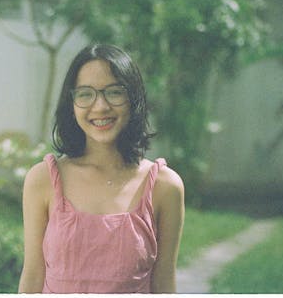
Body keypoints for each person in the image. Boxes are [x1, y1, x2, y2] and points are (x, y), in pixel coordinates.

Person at [18, 44, 185, 294]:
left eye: (114, 92)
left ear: (133, 99)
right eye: (86, 94)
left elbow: (164, 284)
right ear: (71, 103)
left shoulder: (164, 186)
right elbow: (32, 277)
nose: (100, 107)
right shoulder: (43, 179)